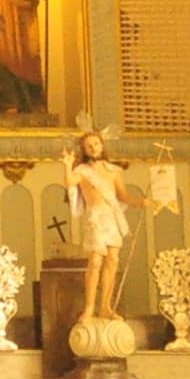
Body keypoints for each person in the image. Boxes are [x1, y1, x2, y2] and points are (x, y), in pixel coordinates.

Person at [64, 129, 143, 326]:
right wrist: (67, 165)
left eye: (96, 144)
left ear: (102, 145)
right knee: (96, 261)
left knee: (113, 260)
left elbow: (123, 196)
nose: (94, 148)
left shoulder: (114, 171)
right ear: (84, 149)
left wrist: (143, 202)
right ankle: (89, 306)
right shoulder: (82, 171)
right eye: (89, 145)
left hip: (112, 216)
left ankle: (106, 306)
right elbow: (69, 182)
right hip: (95, 216)